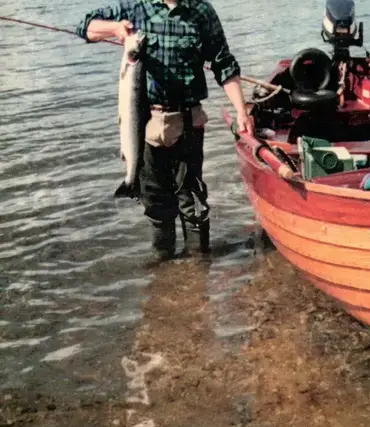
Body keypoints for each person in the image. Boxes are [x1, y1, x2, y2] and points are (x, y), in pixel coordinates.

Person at [75, 0, 253, 260]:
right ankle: (163, 265)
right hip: (145, 123)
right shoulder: (135, 7)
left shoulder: (201, 11)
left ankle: (198, 269)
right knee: (157, 204)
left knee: (192, 200)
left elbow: (223, 62)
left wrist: (241, 110)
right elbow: (85, 26)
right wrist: (115, 29)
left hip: (188, 120)